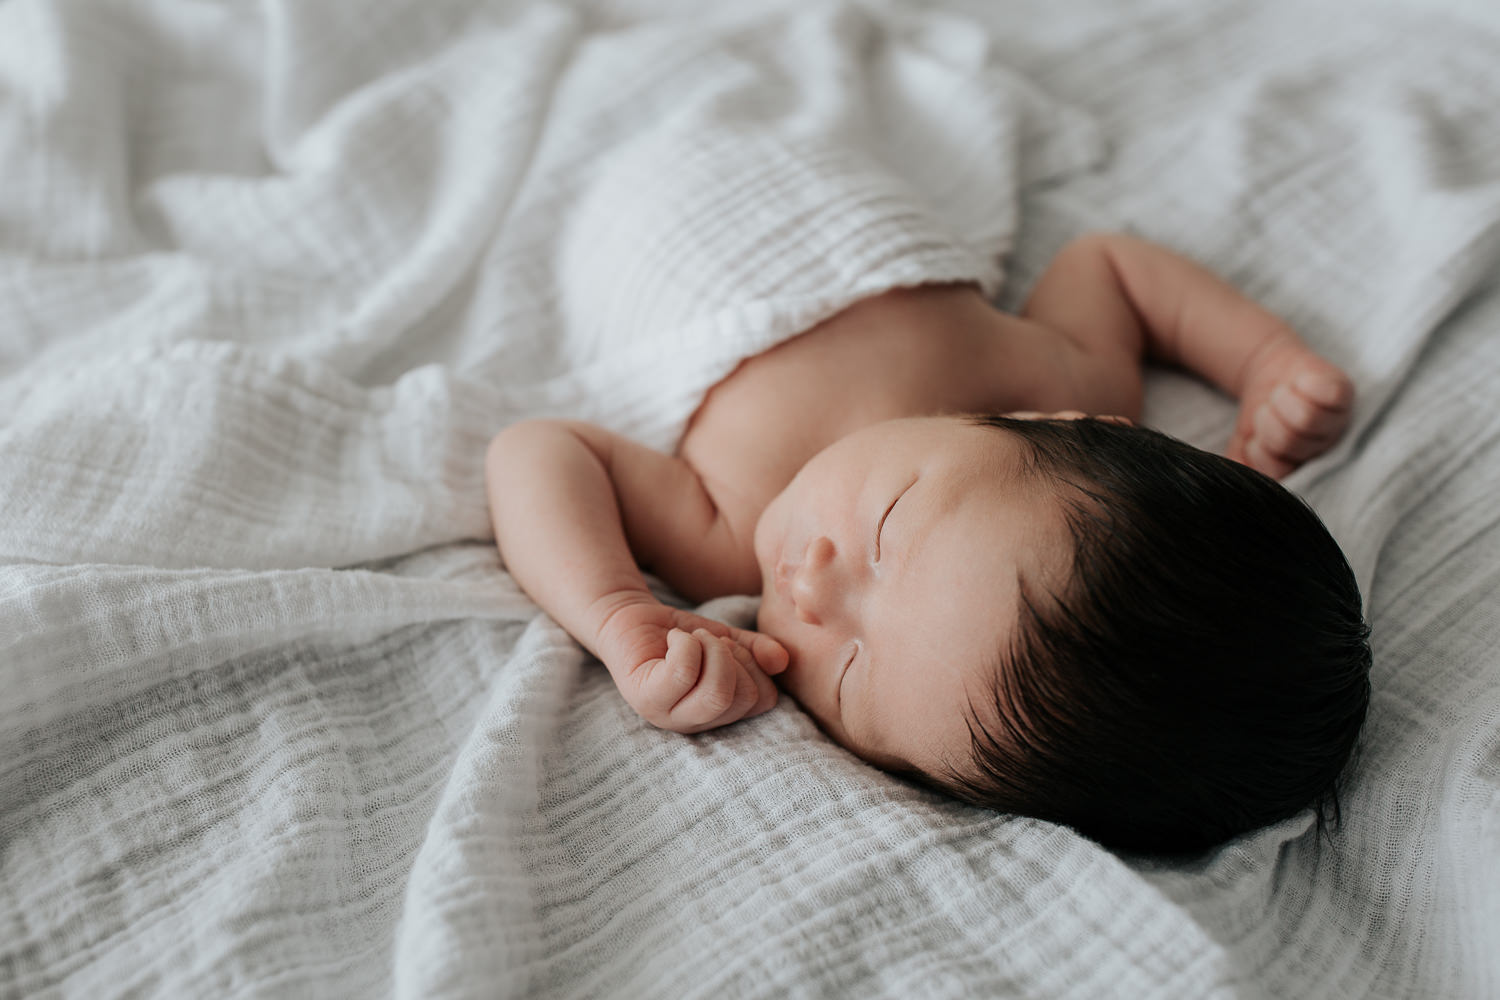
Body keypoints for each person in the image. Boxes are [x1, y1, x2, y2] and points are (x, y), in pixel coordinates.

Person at [486, 232, 1372, 854]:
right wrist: (1264, 361)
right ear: (1058, 422)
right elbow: (1108, 263)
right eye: (887, 523)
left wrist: (616, 612)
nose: (810, 592)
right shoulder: (1056, 373)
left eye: (854, 672)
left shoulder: (722, 530)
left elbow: (540, 451)